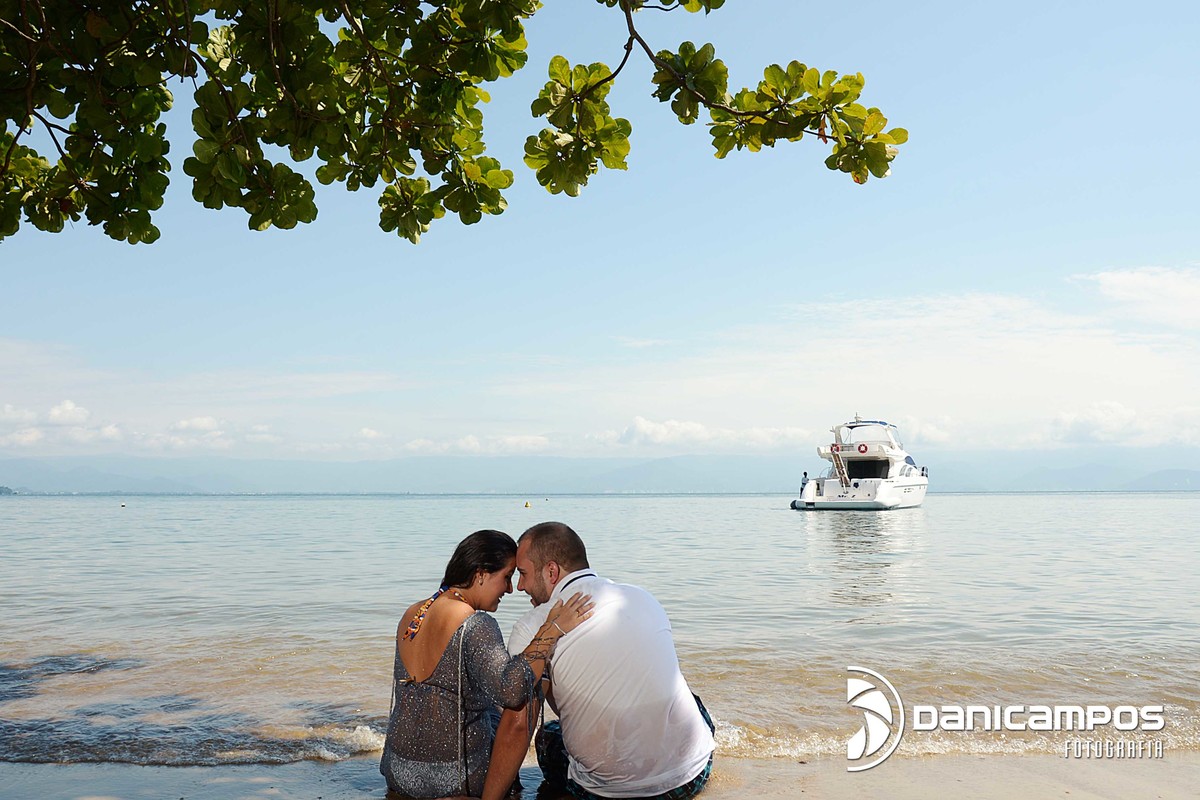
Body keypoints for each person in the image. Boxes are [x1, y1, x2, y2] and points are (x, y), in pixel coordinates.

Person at [481, 522, 715, 800]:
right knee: (692, 702)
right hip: (689, 777)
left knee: (549, 735)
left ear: (551, 571)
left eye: (523, 574)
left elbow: (519, 725)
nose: (520, 587)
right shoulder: (641, 596)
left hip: (606, 793)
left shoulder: (531, 627)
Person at [380, 529, 593, 799]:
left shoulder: (414, 613)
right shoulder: (475, 624)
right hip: (453, 782)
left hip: (398, 771)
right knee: (528, 694)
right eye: (506, 577)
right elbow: (513, 691)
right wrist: (552, 629)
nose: (510, 588)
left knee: (487, 707)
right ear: (480, 573)